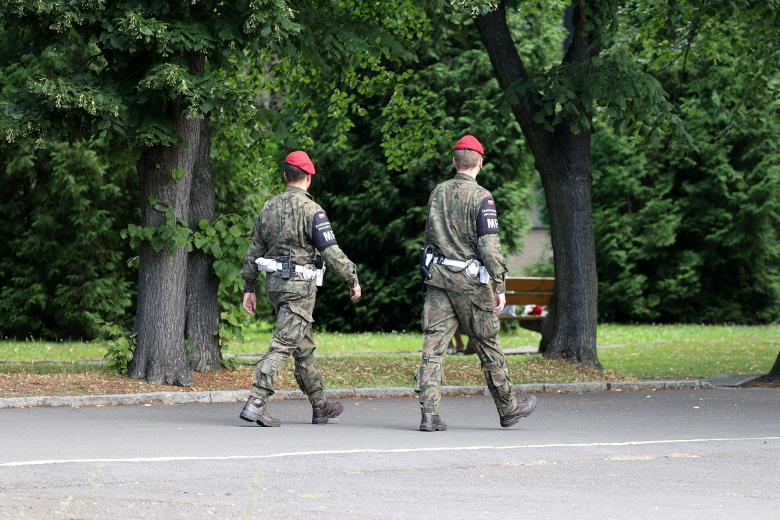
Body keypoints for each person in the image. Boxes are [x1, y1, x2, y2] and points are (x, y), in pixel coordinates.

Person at [417, 135, 537, 432]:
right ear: (480, 162)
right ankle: (508, 407)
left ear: (454, 162)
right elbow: (490, 248)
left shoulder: (437, 193)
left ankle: (429, 414)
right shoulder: (483, 198)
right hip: (471, 285)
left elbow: (430, 236)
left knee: (433, 347)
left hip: (439, 280)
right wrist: (500, 286)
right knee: (487, 345)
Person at [239, 150, 361, 427]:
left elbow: (253, 250)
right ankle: (256, 401)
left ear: (285, 176)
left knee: (302, 346)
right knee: (283, 344)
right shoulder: (312, 211)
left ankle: (320, 405)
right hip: (299, 288)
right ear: (308, 178)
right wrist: (351, 278)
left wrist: (249, 285)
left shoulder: (268, 207)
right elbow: (330, 251)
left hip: (275, 286)